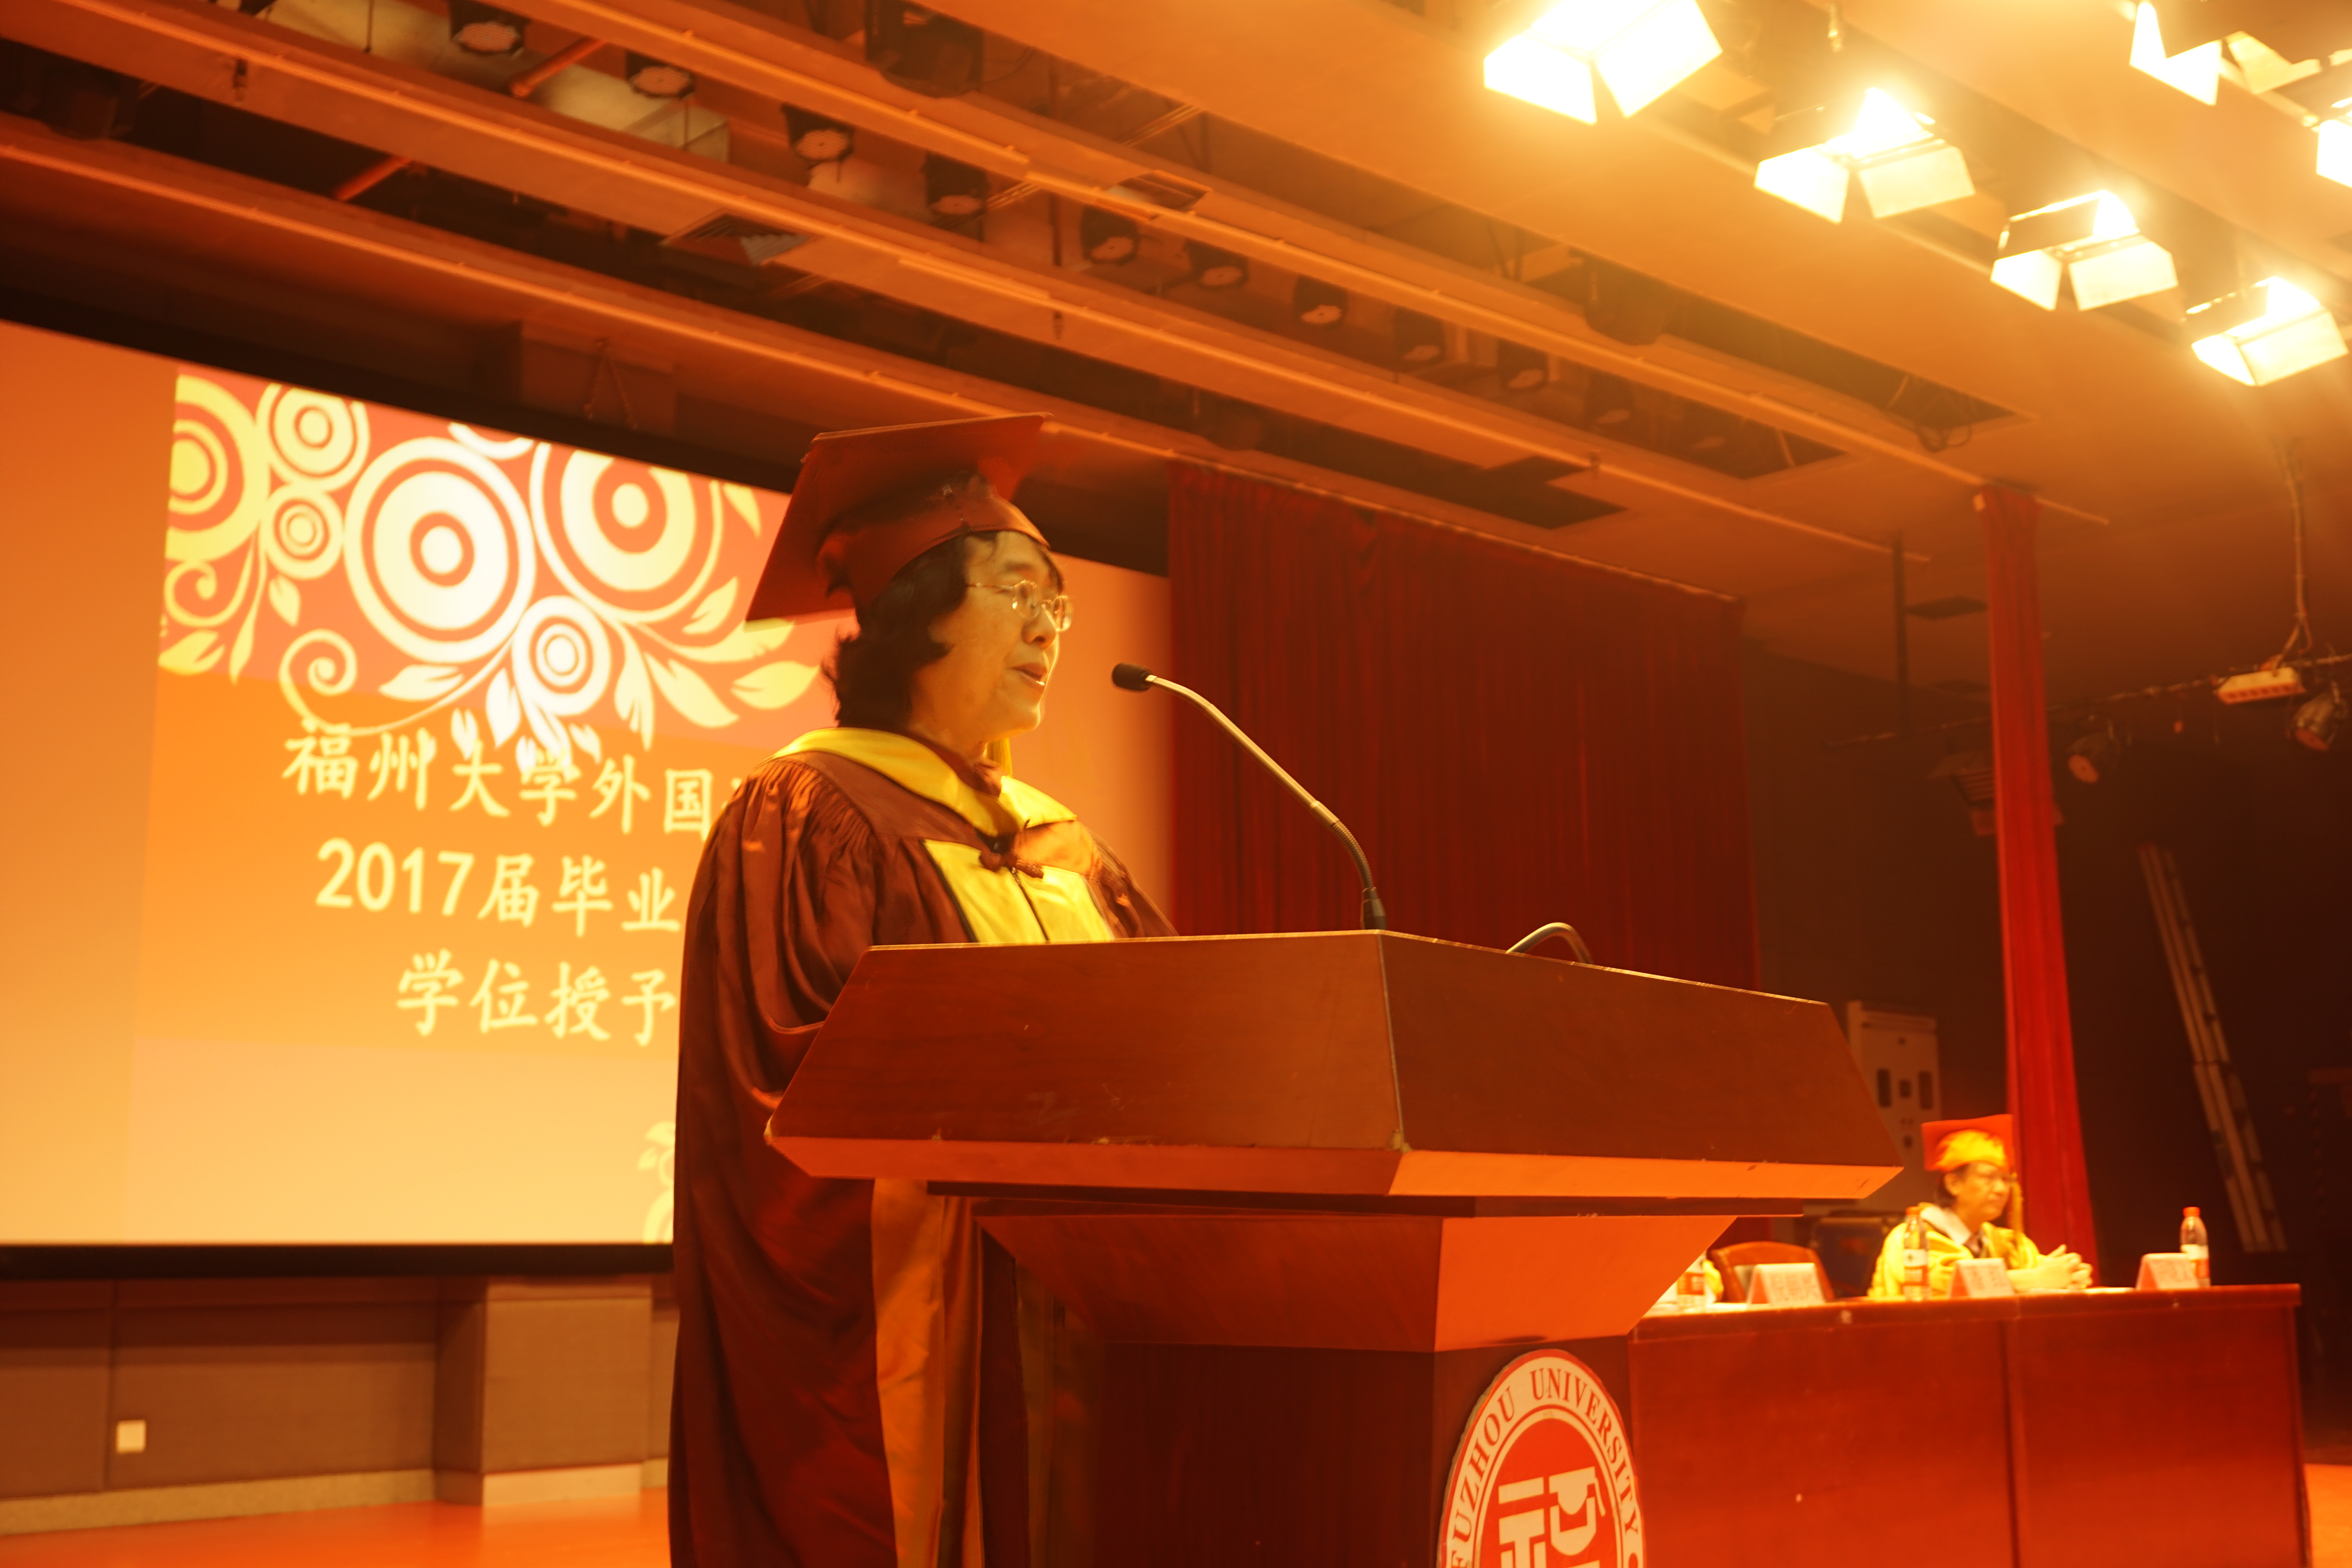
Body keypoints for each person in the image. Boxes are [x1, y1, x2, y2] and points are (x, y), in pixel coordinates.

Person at [668, 414, 1173, 1568]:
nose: (1049, 627)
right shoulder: (807, 815)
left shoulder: (1064, 847)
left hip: (1084, 1325)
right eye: (1017, 591)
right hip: (915, 1349)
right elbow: (788, 1108)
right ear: (918, 606)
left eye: (1059, 603)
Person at [1867, 1127, 2092, 1298]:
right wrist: (2036, 1278)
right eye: (1989, 1178)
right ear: (1954, 1184)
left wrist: (2069, 1274)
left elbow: (2045, 1273)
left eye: (2006, 1179)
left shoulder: (2007, 1244)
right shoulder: (1912, 1239)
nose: (2002, 1189)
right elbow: (1946, 1282)